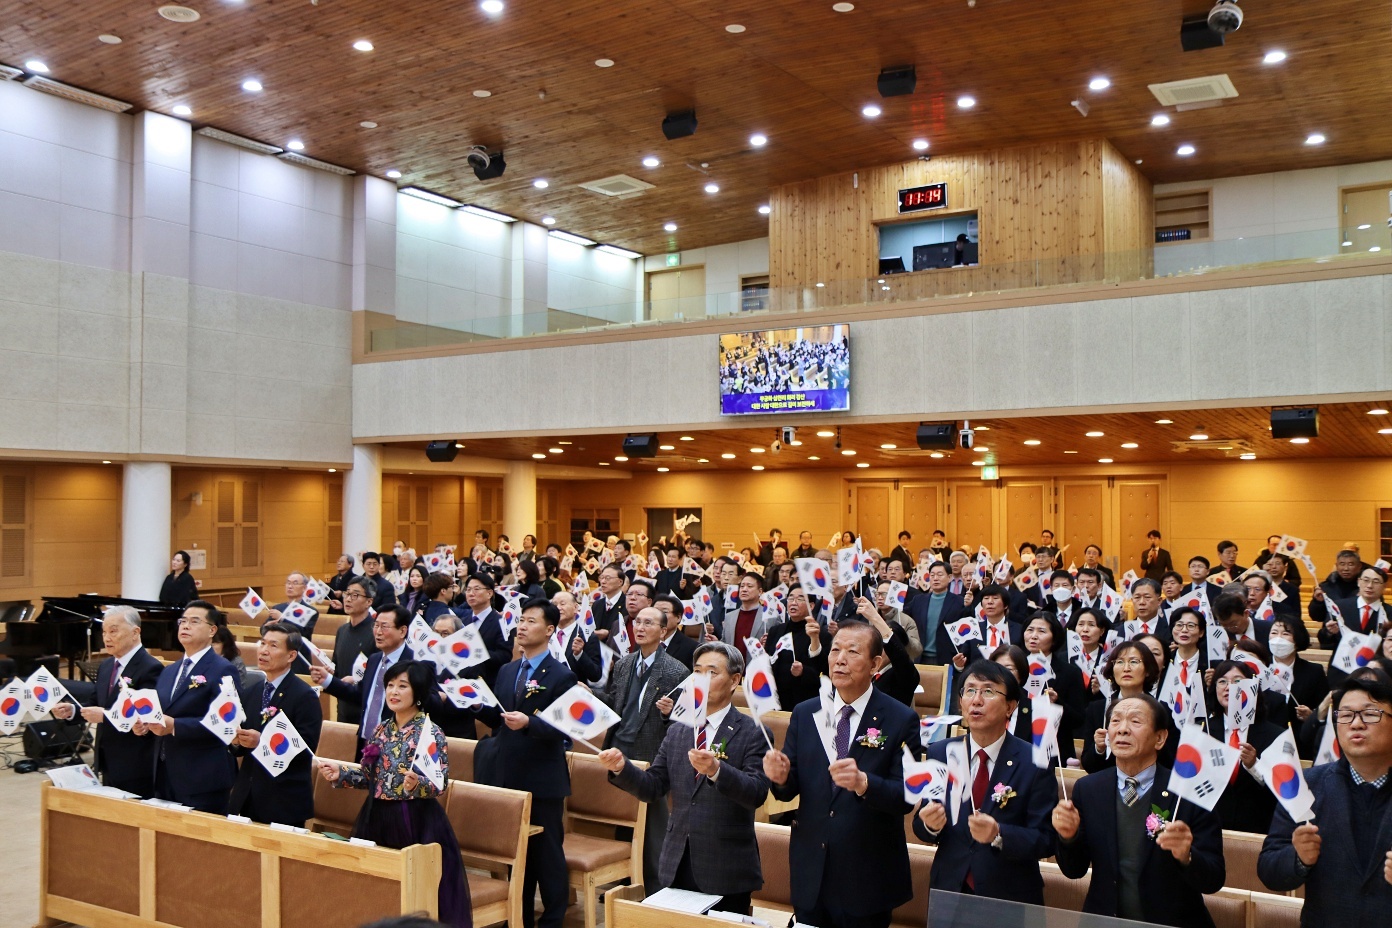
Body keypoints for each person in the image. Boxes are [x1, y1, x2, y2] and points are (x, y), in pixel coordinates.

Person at [762, 622, 921, 928]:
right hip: (811, 871)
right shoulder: (806, 713)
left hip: (867, 877)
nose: (840, 659)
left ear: (875, 663)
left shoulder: (900, 718)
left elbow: (906, 796)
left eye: (852, 651)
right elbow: (789, 789)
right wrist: (780, 777)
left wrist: (864, 784)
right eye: (835, 650)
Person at [600, 641, 769, 913]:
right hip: (676, 860)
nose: (702, 679)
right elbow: (653, 786)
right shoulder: (679, 730)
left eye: (712, 672)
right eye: (698, 672)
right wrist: (623, 768)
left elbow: (756, 793)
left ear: (734, 680)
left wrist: (717, 771)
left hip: (726, 866)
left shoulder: (753, 732)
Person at [318, 661, 472, 928]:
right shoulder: (381, 729)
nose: (394, 692)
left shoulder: (430, 732)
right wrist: (340, 773)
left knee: (417, 891)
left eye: (402, 686)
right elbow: (371, 777)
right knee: (377, 887)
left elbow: (439, 784)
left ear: (418, 692)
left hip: (415, 820)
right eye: (390, 685)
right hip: (377, 815)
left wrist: (417, 784)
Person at [1053, 694, 1225, 926]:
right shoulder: (1089, 789)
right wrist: (1068, 837)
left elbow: (1214, 879)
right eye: (1115, 721)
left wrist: (1187, 856)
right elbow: (1074, 870)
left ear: (1160, 738)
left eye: (1135, 721)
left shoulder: (1189, 792)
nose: (1122, 729)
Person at [914, 661, 1057, 905]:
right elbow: (922, 826)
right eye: (970, 690)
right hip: (949, 889)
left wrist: (999, 834)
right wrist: (929, 825)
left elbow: (1046, 839)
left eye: (988, 691)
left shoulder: (1035, 762)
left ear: (1010, 707)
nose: (976, 700)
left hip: (1009, 896)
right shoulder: (940, 753)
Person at [473, 598, 577, 928]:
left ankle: (553, 919)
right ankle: (519, 916)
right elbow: (499, 718)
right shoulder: (507, 670)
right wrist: (476, 705)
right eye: (521, 620)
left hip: (542, 777)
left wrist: (531, 723)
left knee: (547, 855)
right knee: (518, 853)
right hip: (509, 773)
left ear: (549, 630)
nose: (522, 626)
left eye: (531, 621)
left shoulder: (561, 675)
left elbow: (566, 728)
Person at [1259, 668, 1392, 923]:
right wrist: (1299, 859)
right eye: (1346, 715)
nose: (1356, 724)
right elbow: (1268, 869)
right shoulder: (1306, 785)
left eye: (1370, 714)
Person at [601, 605, 687, 891]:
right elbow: (616, 702)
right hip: (620, 746)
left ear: (663, 631)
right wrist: (591, 694)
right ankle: (625, 879)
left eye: (648, 623)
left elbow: (686, 721)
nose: (640, 627)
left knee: (653, 824)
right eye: (637, 622)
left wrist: (668, 713)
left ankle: (655, 886)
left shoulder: (676, 670)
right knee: (622, 816)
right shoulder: (624, 663)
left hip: (651, 752)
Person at [137, 600, 239, 813]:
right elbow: (162, 715)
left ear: (212, 630)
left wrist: (175, 726)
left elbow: (225, 725)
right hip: (163, 772)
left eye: (194, 621)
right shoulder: (169, 671)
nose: (185, 626)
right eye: (182, 621)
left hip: (201, 776)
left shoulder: (223, 670)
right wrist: (145, 727)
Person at [52, 605, 162, 796]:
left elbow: (146, 719)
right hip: (107, 758)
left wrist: (105, 716)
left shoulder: (150, 668)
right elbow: (96, 703)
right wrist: (73, 711)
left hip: (135, 762)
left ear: (135, 632)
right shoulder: (106, 666)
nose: (107, 638)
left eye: (113, 631)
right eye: (104, 632)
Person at [228, 623, 323, 826]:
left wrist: (261, 741)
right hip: (246, 796)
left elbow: (305, 749)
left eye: (273, 645)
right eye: (262, 643)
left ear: (291, 656)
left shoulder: (304, 696)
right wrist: (236, 741)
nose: (263, 650)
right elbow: (239, 748)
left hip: (283, 800)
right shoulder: (252, 691)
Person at [315, 606, 416, 758]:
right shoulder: (374, 659)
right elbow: (361, 695)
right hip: (366, 742)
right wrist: (328, 681)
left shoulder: (415, 663)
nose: (378, 632)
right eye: (376, 625)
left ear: (402, 631)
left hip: (397, 746)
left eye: (384, 626)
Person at [1203, 660, 1281, 834]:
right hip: (1210, 827)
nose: (1229, 687)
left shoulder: (1275, 735)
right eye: (1222, 681)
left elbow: (1282, 790)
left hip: (1257, 828)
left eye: (1237, 681)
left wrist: (1254, 766)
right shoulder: (1202, 731)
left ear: (1252, 688)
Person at [1080, 641, 1178, 773]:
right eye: (1120, 662)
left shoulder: (1161, 710)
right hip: (1108, 781)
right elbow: (1088, 765)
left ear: (1147, 670)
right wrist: (1099, 748)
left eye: (1134, 662)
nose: (1126, 668)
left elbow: (1169, 761)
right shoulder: (1097, 709)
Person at [1020, 611, 1086, 765]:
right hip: (1018, 746)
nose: (1033, 636)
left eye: (1041, 631)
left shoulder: (1070, 672)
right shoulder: (1014, 668)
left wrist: (1057, 702)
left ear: (1054, 638)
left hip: (1055, 752)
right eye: (1030, 630)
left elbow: (1078, 719)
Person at [764, 584, 829, 709]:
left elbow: (823, 671)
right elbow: (768, 660)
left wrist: (803, 672)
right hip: (776, 700)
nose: (793, 603)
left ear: (811, 606)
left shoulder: (820, 634)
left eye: (800, 599)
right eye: (790, 598)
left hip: (804, 701)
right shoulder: (776, 631)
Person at [329, 576, 379, 726]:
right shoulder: (342, 630)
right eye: (347, 593)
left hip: (366, 709)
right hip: (343, 706)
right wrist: (329, 671)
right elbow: (337, 666)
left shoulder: (377, 632)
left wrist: (356, 680)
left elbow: (380, 673)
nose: (348, 599)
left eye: (355, 595)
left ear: (369, 602)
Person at [1267, 615, 1328, 735]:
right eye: (1274, 633)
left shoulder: (1314, 671)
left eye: (1285, 634)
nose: (1278, 639)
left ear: (1297, 640)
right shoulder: (1259, 668)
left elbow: (1324, 709)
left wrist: (1311, 716)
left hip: (1299, 737)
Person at [456, 573, 514, 688]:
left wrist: (477, 652)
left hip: (488, 683)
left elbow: (505, 656)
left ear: (489, 593)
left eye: (476, 589)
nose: (471, 593)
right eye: (468, 590)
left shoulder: (501, 622)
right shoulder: (462, 621)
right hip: (462, 682)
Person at [944, 584, 1020, 669]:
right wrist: (958, 665)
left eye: (995, 598)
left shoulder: (1018, 630)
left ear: (1006, 605)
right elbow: (964, 661)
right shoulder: (973, 629)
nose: (990, 602)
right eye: (986, 598)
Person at [1313, 565, 1387, 651]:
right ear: (1358, 582)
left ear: (1384, 586)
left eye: (1376, 582)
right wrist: (1328, 632)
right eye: (1366, 580)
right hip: (1343, 658)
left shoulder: (1388, 613)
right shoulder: (1339, 607)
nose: (1370, 585)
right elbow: (1323, 640)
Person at [908, 560, 966, 665]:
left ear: (949, 578)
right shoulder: (918, 600)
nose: (935, 578)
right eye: (932, 575)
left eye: (940, 575)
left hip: (947, 658)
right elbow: (903, 617)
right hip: (920, 657)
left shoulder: (959, 602)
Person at [551, 590, 602, 683]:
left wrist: (580, 654)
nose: (558, 608)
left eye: (562, 604)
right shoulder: (547, 633)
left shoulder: (587, 636)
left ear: (575, 607)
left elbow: (595, 675)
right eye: (554, 605)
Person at [721, 572, 772, 660]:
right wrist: (716, 642)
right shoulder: (729, 617)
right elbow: (725, 644)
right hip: (733, 665)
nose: (744, 589)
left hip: (757, 665)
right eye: (742, 586)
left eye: (749, 586)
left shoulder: (769, 617)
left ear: (760, 591)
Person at [655, 593, 698, 669]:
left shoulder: (692, 648)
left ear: (678, 617)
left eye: (664, 612)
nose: (658, 616)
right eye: (655, 611)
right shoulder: (643, 641)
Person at [1129, 578, 1171, 643]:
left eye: (1147, 597)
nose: (1142, 602)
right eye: (1137, 597)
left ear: (1159, 601)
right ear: (1132, 601)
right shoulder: (1122, 630)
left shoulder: (1171, 630)